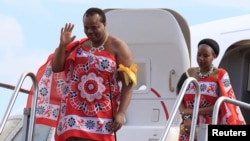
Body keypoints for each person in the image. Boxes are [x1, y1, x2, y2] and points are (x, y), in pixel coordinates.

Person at [27, 7, 137, 141]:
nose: (90, 32)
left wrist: (121, 113)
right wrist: (62, 46)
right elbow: (57, 67)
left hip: (101, 117)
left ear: (105, 24)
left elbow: (129, 84)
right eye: (86, 28)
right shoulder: (79, 46)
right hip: (71, 116)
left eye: (95, 27)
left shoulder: (118, 47)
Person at [176, 38, 246, 141]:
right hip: (188, 127)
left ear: (214, 56)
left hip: (209, 127)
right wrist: (187, 118)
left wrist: (193, 111)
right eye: (199, 55)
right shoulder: (189, 73)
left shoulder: (220, 74)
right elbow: (179, 96)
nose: (201, 58)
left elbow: (223, 104)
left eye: (205, 56)